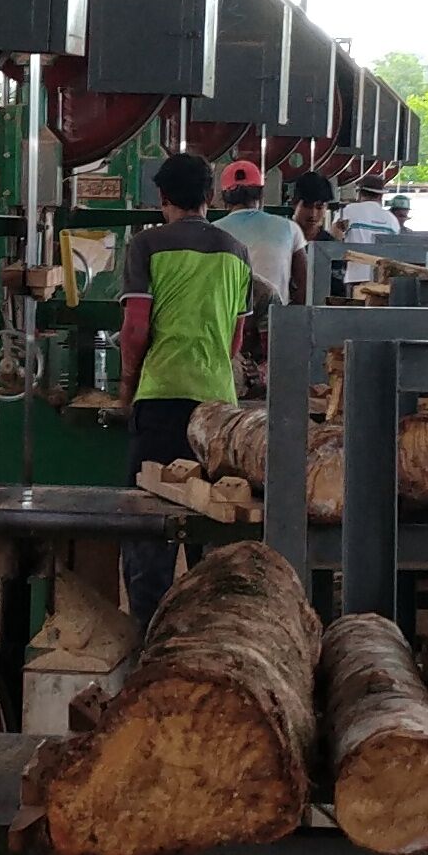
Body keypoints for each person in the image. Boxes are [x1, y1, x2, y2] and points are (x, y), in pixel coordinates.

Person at [115, 150, 260, 622]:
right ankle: (208, 629)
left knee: (149, 522)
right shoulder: (237, 251)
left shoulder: (146, 245)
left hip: (161, 398)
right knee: (211, 523)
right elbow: (236, 337)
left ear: (162, 197)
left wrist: (125, 388)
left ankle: (148, 633)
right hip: (218, 410)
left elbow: (135, 327)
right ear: (210, 196)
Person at [213, 155, 308, 306]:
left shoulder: (213, 231)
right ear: (261, 195)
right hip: (274, 317)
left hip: (227, 318)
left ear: (224, 198)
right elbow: (305, 285)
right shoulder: (290, 228)